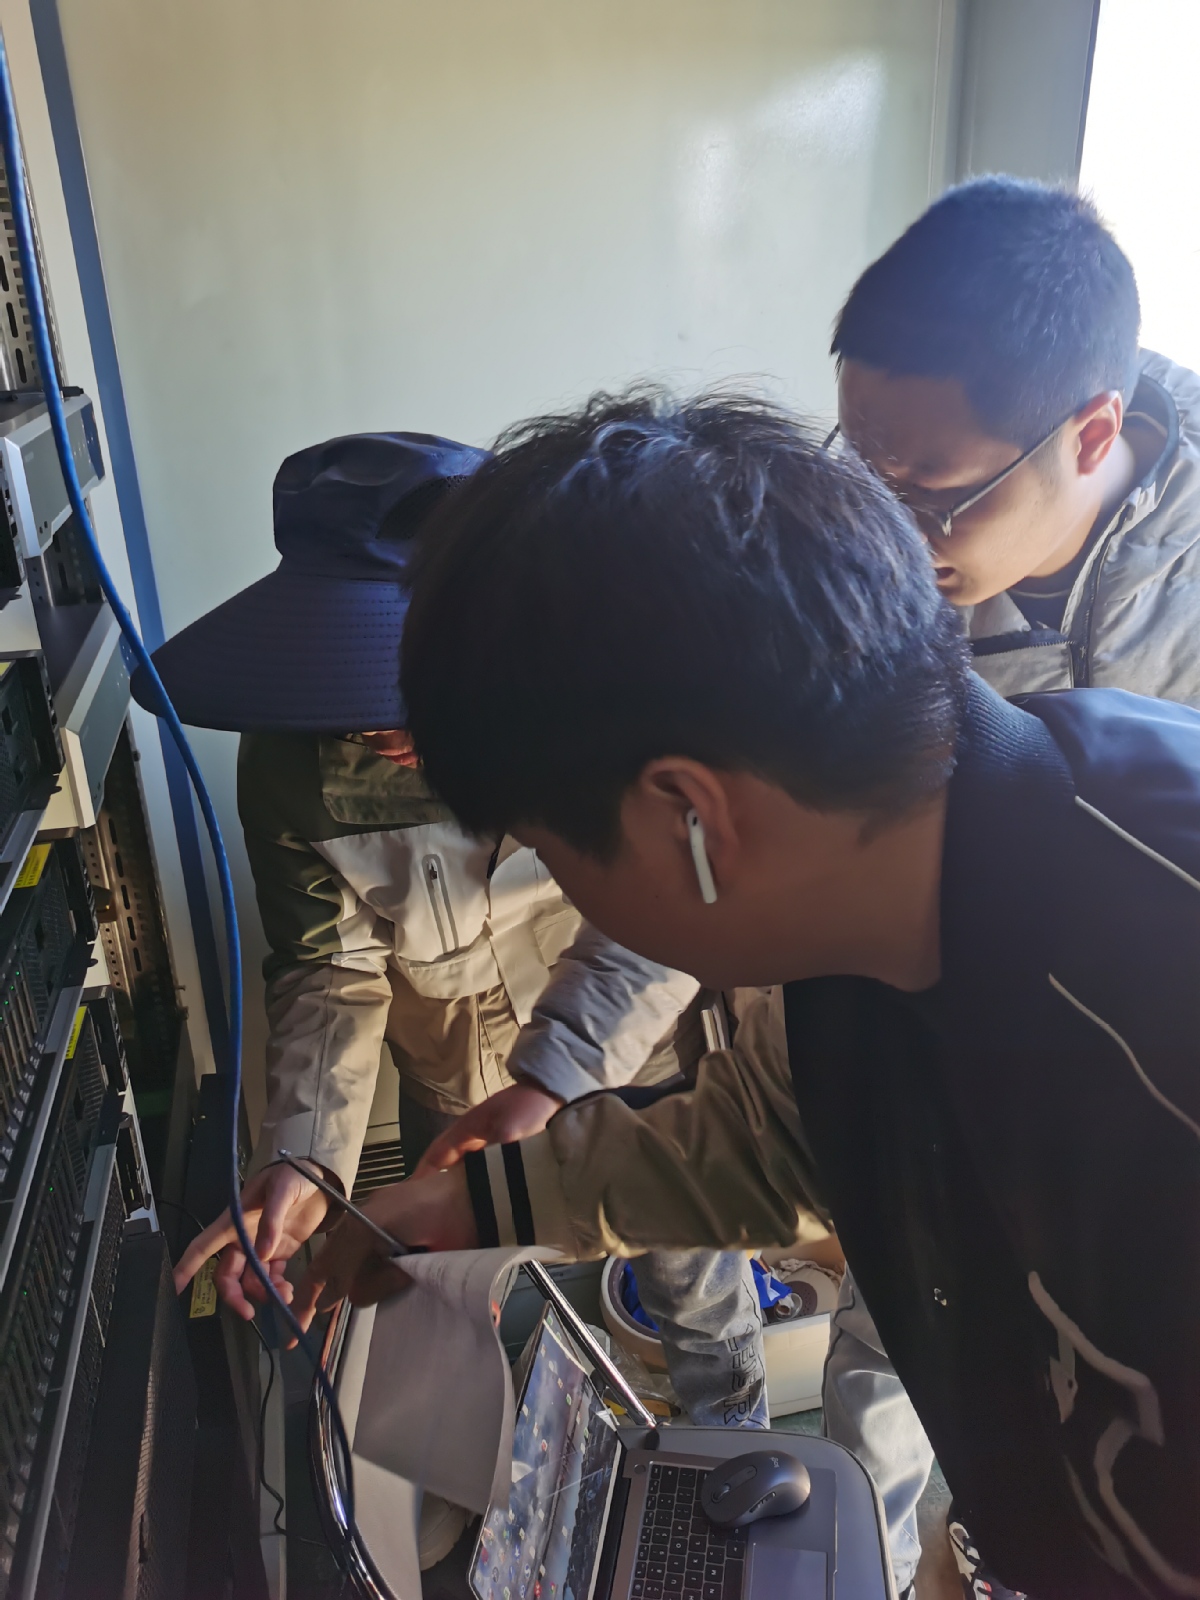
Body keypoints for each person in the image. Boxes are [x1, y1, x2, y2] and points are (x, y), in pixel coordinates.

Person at [292, 391, 1200, 1600]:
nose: (583, 913)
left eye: (557, 858)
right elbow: (775, 1133)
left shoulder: (1155, 993)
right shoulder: (883, 911)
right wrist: (476, 1203)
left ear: (691, 816)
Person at [151, 431, 775, 1440]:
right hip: (456, 1087)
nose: (377, 721)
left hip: (639, 1069)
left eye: (404, 677)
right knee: (491, 1301)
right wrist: (303, 1162)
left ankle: (734, 1454)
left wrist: (554, 1076)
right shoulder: (288, 774)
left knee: (695, 1285)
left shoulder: (619, 715)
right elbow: (329, 969)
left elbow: (664, 920)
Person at [824, 175, 1200, 1595]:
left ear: (1093, 430)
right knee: (905, 1395)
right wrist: (559, 1068)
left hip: (1152, 1186)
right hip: (949, 1092)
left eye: (928, 490)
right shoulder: (888, 573)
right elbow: (766, 810)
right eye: (859, 469)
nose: (886, 527)